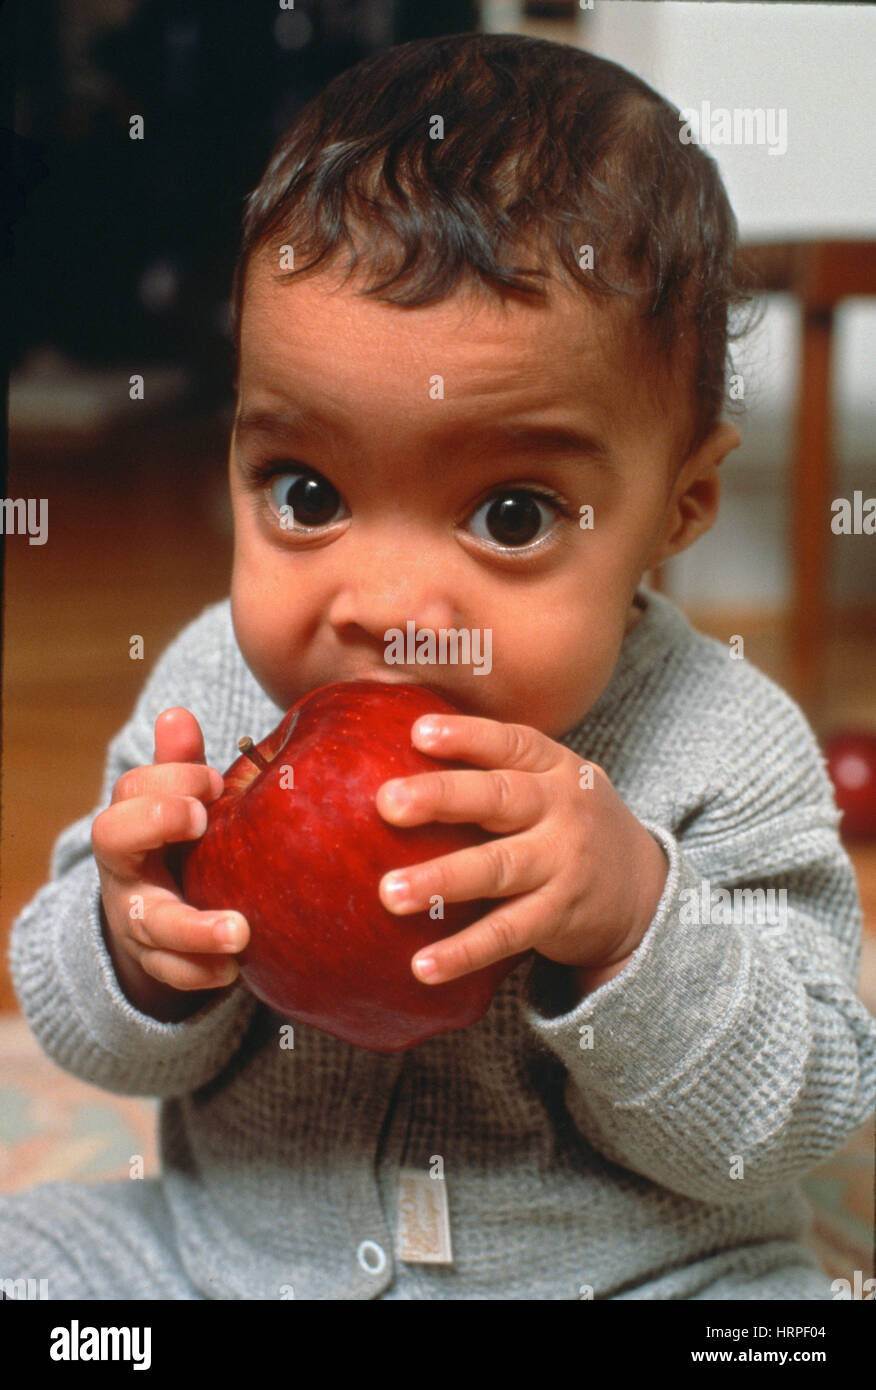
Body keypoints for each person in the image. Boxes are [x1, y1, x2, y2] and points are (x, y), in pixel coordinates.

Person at [3, 32, 874, 1301]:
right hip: (233, 1268)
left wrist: (636, 927)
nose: (388, 609)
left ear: (679, 506)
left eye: (511, 514)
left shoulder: (722, 746)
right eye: (305, 490)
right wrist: (136, 942)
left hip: (635, 1281)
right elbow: (86, 1033)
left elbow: (797, 1113)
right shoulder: (212, 695)